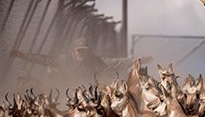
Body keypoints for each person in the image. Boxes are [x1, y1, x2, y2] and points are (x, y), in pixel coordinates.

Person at [10, 38, 153, 91]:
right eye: (78, 51)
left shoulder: (97, 62)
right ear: (73, 51)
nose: (81, 53)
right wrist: (24, 56)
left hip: (90, 94)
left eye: (83, 51)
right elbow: (44, 59)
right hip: (67, 94)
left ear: (88, 52)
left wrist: (137, 61)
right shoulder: (64, 60)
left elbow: (118, 62)